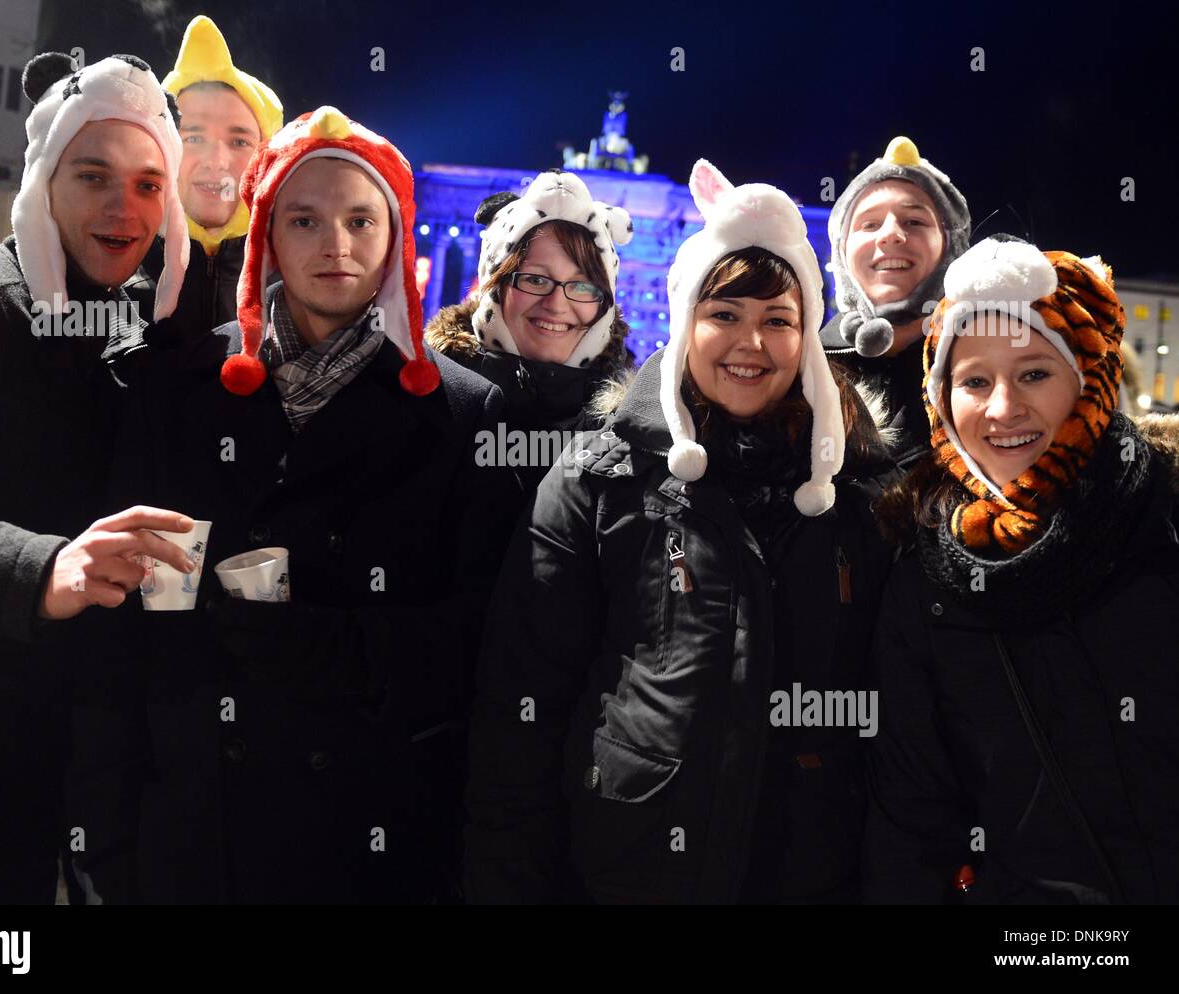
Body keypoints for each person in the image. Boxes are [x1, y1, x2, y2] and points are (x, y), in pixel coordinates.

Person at [93, 106, 519, 903]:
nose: (337, 244)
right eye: (305, 218)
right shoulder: (172, 389)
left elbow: (481, 633)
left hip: (365, 830)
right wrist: (105, 841)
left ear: (395, 238)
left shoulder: (464, 414)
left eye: (362, 219)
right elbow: (121, 631)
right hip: (195, 821)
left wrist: (334, 647)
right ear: (267, 237)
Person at [463, 163, 897, 904]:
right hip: (629, 871)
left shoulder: (860, 496)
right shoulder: (596, 477)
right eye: (724, 313)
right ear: (685, 318)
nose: (750, 343)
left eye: (779, 319)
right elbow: (521, 714)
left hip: (805, 872)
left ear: (808, 334)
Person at [0, 52, 196, 903]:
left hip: (87, 771)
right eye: (93, 176)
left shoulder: (140, 329)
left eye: (145, 185)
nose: (121, 208)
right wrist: (38, 569)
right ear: (43, 176)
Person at [864, 235, 1179, 904]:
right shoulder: (926, 578)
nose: (1003, 408)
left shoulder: (1164, 513)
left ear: (1088, 381)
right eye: (974, 381)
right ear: (942, 400)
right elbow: (914, 820)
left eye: (1035, 372)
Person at [424, 170, 635, 491]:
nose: (556, 303)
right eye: (535, 279)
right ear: (495, 288)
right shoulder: (425, 400)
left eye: (581, 285)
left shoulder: (633, 431)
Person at [820, 136, 971, 466]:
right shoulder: (802, 367)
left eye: (914, 221)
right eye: (869, 224)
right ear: (842, 252)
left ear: (951, 246)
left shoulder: (986, 362)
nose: (890, 234)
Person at [133, 15, 283, 345]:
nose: (217, 163)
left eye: (240, 141)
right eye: (194, 138)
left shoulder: (296, 289)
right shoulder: (111, 273)